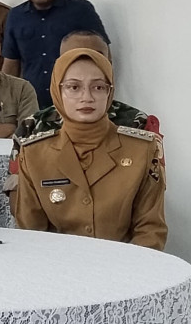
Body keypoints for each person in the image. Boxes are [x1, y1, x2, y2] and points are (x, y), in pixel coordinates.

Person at [12, 48, 165, 249]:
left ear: (109, 92)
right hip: (57, 265)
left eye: (98, 87)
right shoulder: (34, 154)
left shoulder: (141, 150)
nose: (87, 97)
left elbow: (150, 230)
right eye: (74, 87)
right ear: (58, 91)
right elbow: (32, 235)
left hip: (125, 264)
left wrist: (124, 268)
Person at [2, 0, 108, 107]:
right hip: (31, 105)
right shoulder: (15, 16)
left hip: (75, 104)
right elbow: (11, 65)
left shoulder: (81, 11)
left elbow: (104, 57)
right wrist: (7, 103)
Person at [14, 30, 157, 141]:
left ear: (110, 62)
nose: (87, 63)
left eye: (97, 56)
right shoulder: (31, 128)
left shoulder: (136, 123)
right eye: (75, 57)